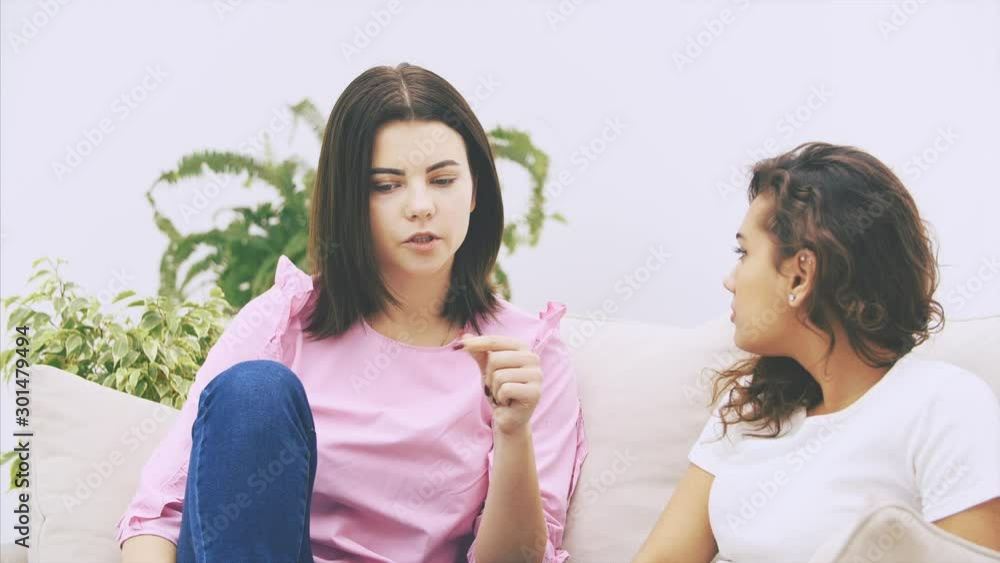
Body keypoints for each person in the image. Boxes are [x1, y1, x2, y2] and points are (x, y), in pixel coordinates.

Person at [118, 63, 588, 563]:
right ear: (350, 201)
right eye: (387, 185)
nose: (421, 206)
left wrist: (512, 432)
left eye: (443, 179)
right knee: (255, 391)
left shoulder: (524, 355)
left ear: (475, 191)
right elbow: (157, 514)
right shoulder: (285, 321)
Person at [634, 142, 1000, 562]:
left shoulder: (944, 406)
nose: (730, 280)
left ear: (800, 275)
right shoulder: (749, 404)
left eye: (744, 253)